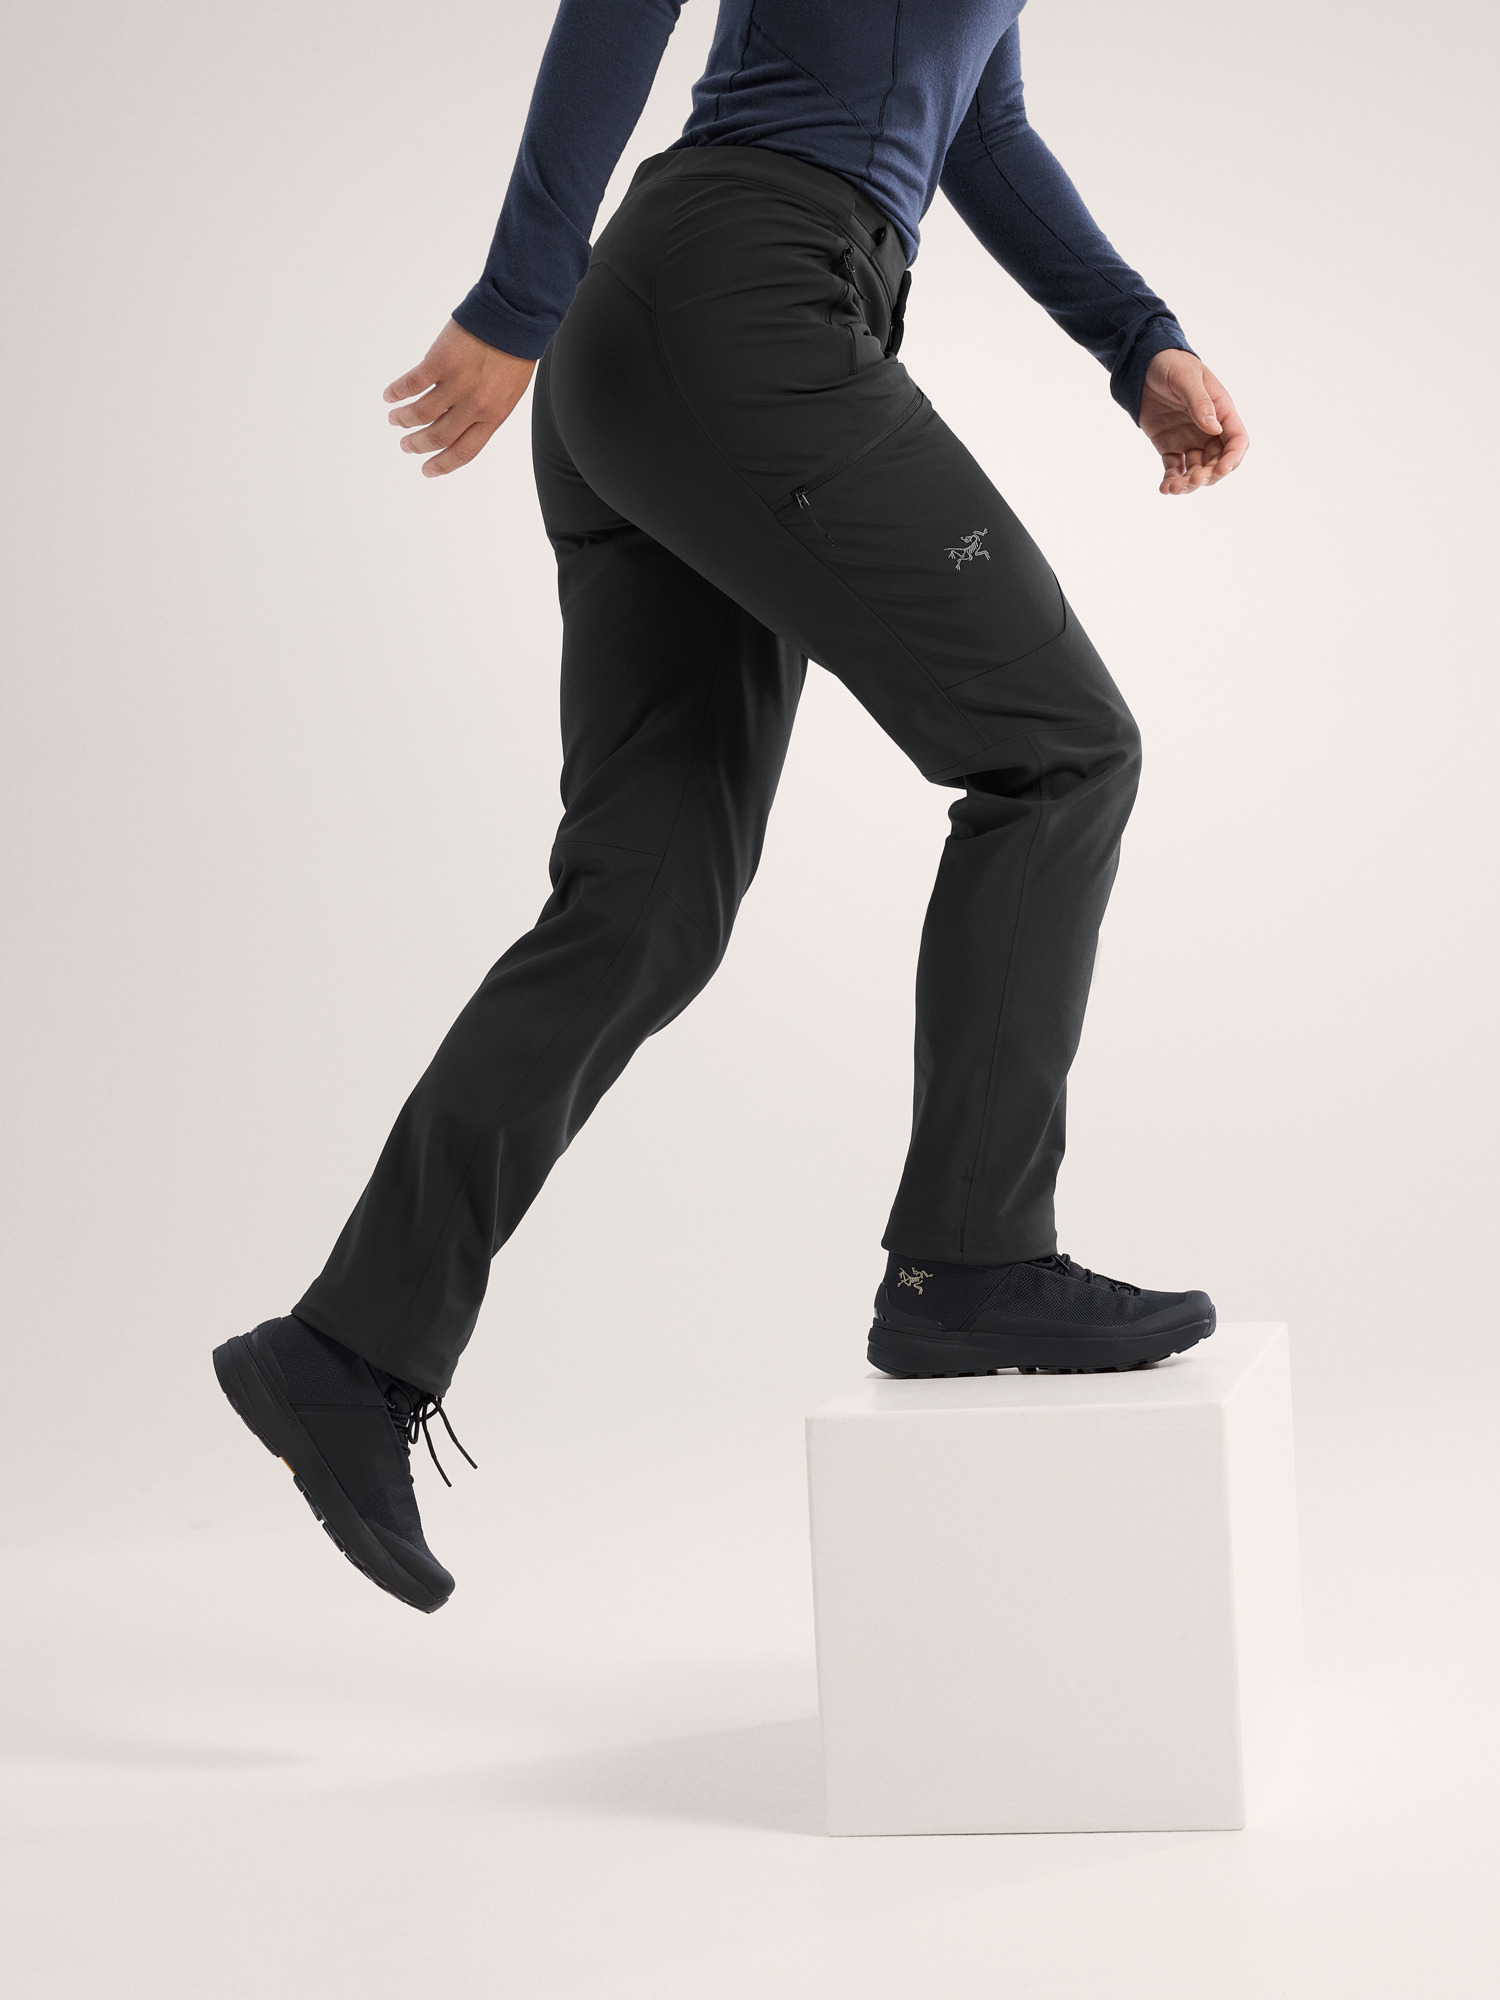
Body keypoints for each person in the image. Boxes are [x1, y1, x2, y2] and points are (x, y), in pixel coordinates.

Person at [213, 0, 1249, 1613]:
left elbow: (978, 121)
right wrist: (515, 293)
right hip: (744, 308)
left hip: (678, 337)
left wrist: (1136, 339)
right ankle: (974, 1258)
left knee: (647, 903)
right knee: (1062, 750)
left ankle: (345, 1352)